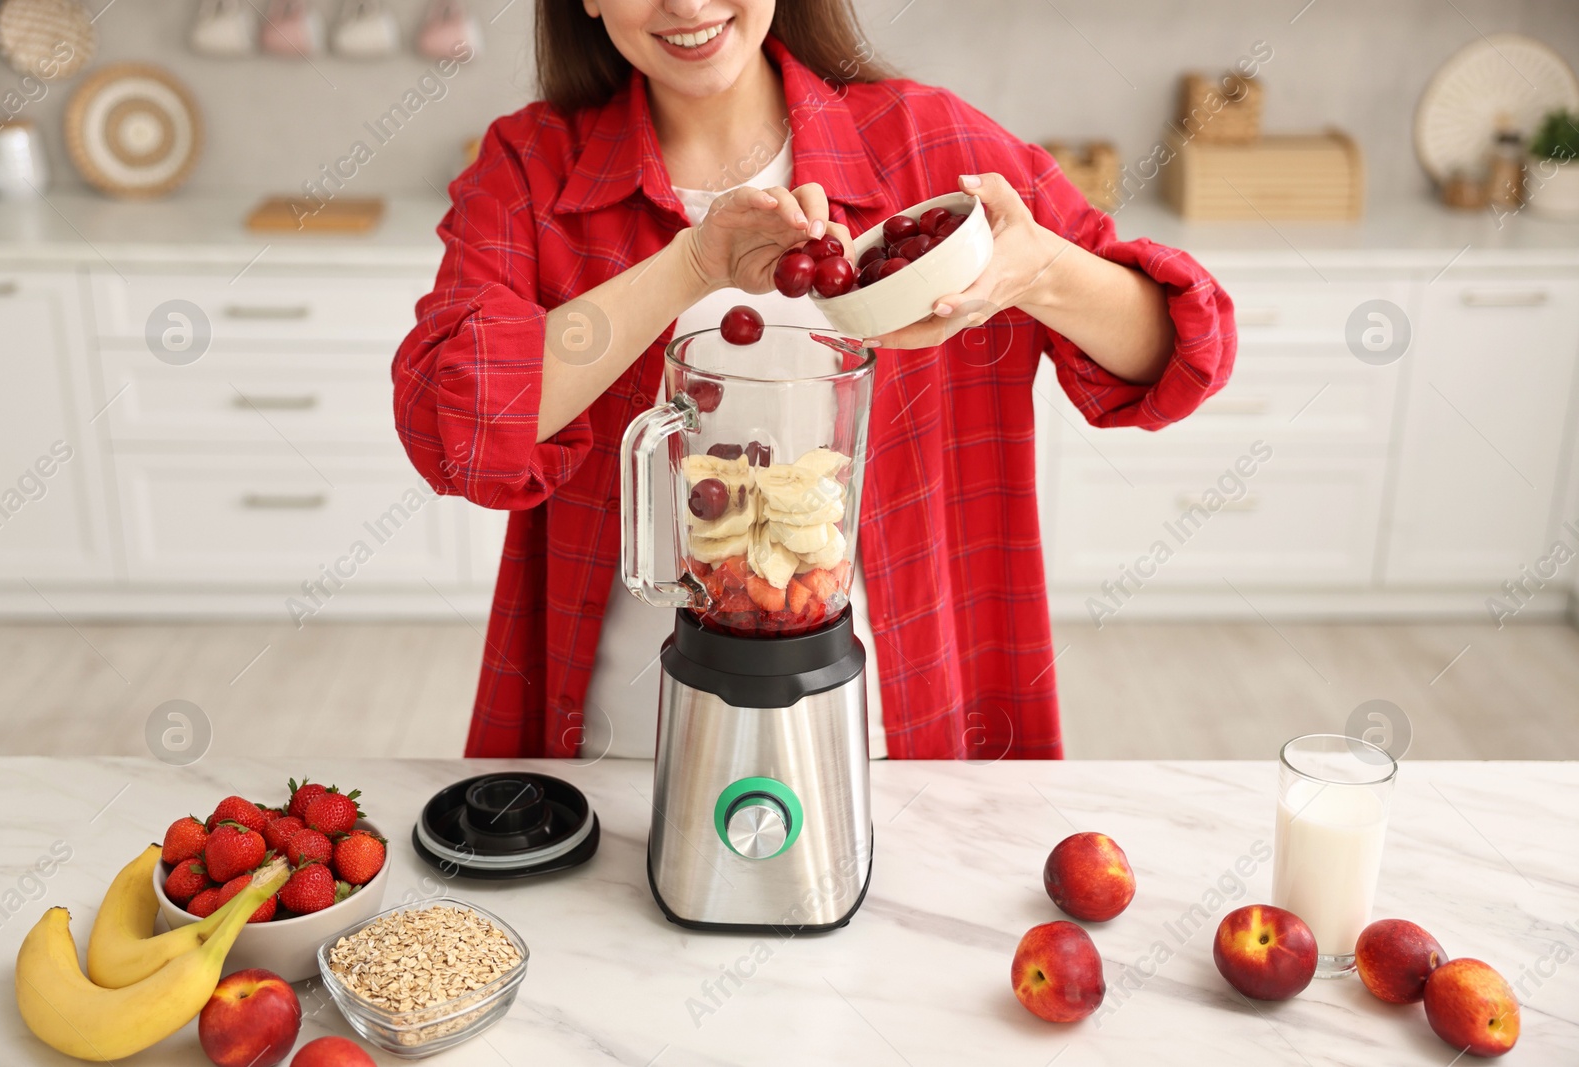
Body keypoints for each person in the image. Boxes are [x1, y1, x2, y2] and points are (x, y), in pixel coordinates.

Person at [392, 0, 1236, 761]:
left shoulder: (929, 145)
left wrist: (1044, 271)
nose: (685, 6)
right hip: (623, 724)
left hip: (897, 728)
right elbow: (460, 428)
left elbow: (1182, 354)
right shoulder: (532, 167)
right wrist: (691, 264)